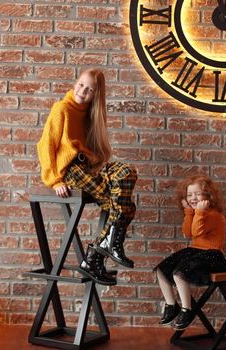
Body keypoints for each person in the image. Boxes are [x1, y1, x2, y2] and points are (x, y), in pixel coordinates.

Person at [37, 69, 138, 286]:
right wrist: (54, 180)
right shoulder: (61, 108)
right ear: (76, 82)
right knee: (125, 206)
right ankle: (99, 253)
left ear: (95, 95)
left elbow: (95, 150)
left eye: (89, 89)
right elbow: (45, 146)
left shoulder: (90, 114)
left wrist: (99, 166)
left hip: (89, 168)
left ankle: (97, 254)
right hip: (72, 171)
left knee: (126, 173)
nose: (82, 91)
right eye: (81, 84)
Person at [154, 175, 226, 330]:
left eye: (197, 194)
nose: (193, 198)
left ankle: (187, 310)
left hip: (213, 255)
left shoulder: (213, 214)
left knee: (179, 272)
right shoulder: (196, 213)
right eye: (189, 195)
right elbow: (187, 232)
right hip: (196, 251)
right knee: (161, 269)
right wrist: (189, 212)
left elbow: (196, 232)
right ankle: (171, 305)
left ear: (208, 195)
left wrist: (198, 213)